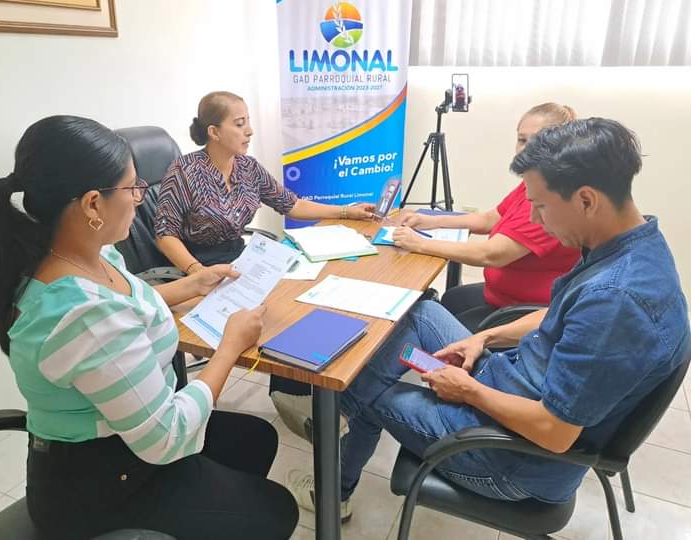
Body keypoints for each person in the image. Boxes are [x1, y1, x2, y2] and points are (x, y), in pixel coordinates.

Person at [286, 118, 690, 519]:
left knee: (372, 392)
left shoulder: (616, 301)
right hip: (513, 384)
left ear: (586, 200)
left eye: (541, 207)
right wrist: (483, 338)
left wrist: (468, 391)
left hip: (512, 459)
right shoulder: (633, 244)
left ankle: (333, 491)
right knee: (420, 313)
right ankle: (340, 415)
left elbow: (555, 433)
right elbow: (557, 314)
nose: (535, 221)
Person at [0, 116, 298, 540]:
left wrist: (193, 283)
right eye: (132, 188)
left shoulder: (85, 255)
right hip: (100, 485)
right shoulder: (83, 316)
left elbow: (127, 304)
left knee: (255, 439)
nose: (141, 198)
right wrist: (229, 347)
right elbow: (168, 437)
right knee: (275, 511)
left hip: (127, 437)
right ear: (93, 204)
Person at [394, 103, 581, 331]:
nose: (525, 151)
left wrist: (420, 244)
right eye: (522, 140)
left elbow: (491, 254)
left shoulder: (552, 198)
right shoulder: (533, 181)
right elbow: (490, 219)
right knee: (451, 298)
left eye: (537, 143)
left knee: (423, 314)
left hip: (522, 311)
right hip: (501, 294)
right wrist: (432, 221)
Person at [154, 90, 375, 272]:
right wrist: (197, 272)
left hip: (239, 258)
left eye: (248, 122)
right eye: (239, 124)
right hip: (195, 266)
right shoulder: (184, 171)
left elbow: (292, 204)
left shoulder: (248, 167)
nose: (249, 131)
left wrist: (347, 211)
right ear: (214, 132)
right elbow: (165, 235)